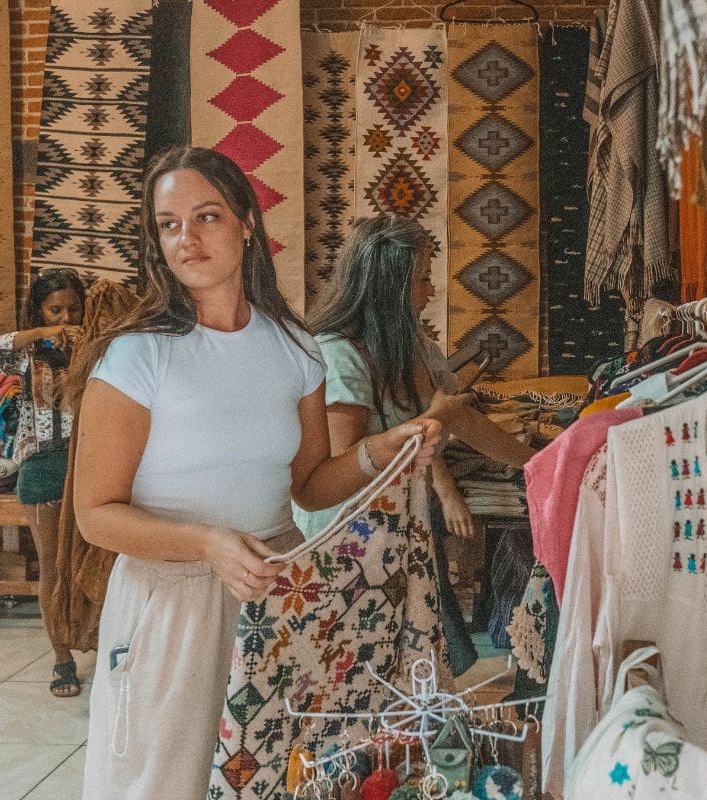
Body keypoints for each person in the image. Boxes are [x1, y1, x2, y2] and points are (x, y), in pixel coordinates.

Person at [65, 146, 449, 800]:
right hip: (172, 603)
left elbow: (309, 485)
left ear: (247, 222)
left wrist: (384, 449)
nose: (187, 238)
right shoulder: (136, 358)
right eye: (169, 223)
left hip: (274, 600)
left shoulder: (293, 348)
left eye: (206, 216)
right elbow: (95, 514)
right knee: (164, 780)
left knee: (270, 777)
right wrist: (207, 543)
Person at [293, 214, 536, 542]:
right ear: (391, 290)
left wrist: (540, 463)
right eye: (423, 279)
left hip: (397, 530)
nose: (431, 290)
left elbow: (464, 418)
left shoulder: (417, 348)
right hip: (344, 542)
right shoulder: (339, 357)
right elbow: (337, 476)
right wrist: (436, 418)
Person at [0, 268, 89, 698]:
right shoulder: (26, 353)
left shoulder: (95, 347)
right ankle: (62, 658)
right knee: (54, 568)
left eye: (73, 309)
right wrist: (41, 332)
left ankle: (105, 640)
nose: (65, 317)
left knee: (97, 561)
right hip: (41, 461)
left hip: (90, 462)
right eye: (54, 309)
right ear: (38, 310)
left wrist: (83, 335)